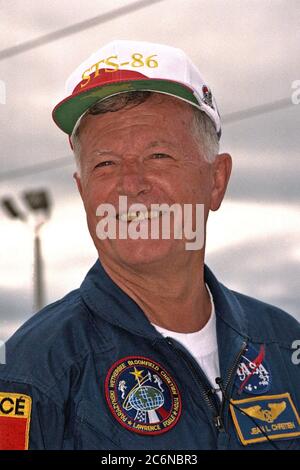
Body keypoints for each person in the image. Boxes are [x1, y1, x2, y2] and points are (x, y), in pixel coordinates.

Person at [0, 40, 299, 450]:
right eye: (105, 164)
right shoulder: (31, 371)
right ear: (83, 190)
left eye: (158, 155)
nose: (130, 184)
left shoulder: (285, 345)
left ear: (216, 181)